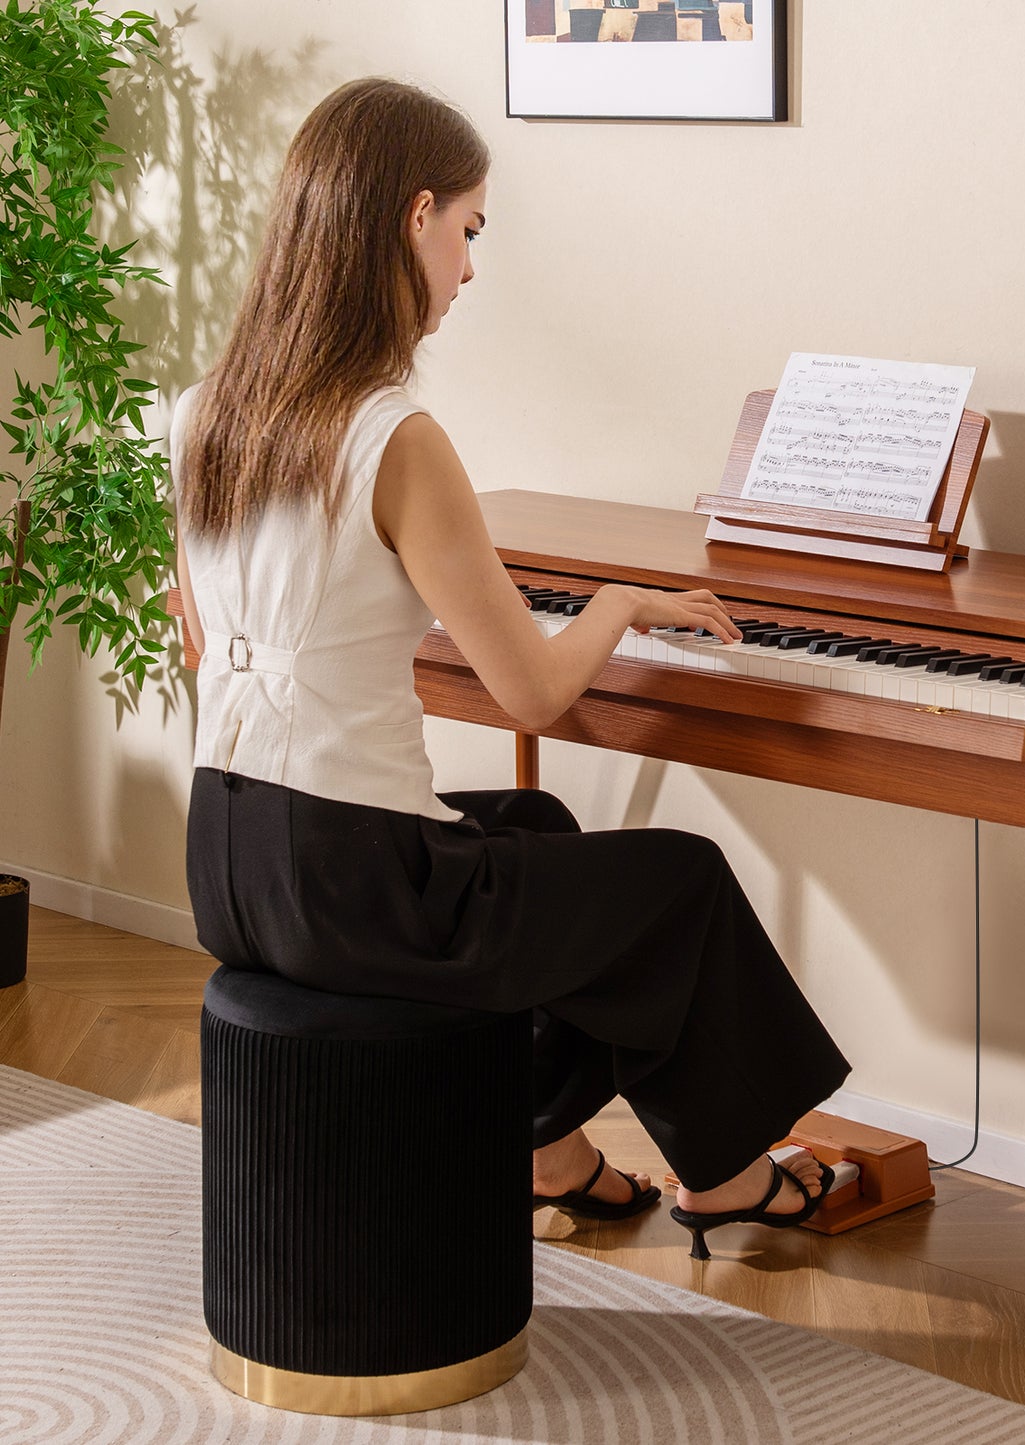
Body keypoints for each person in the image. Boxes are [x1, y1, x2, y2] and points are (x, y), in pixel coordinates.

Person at [173, 77, 850, 1259]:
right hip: (353, 887)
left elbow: (200, 638)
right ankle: (731, 1180)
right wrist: (618, 601)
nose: (468, 271)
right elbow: (534, 690)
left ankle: (550, 1149)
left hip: (228, 858)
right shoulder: (395, 436)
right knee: (678, 881)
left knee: (532, 824)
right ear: (414, 215)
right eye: (468, 233)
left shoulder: (204, 414)